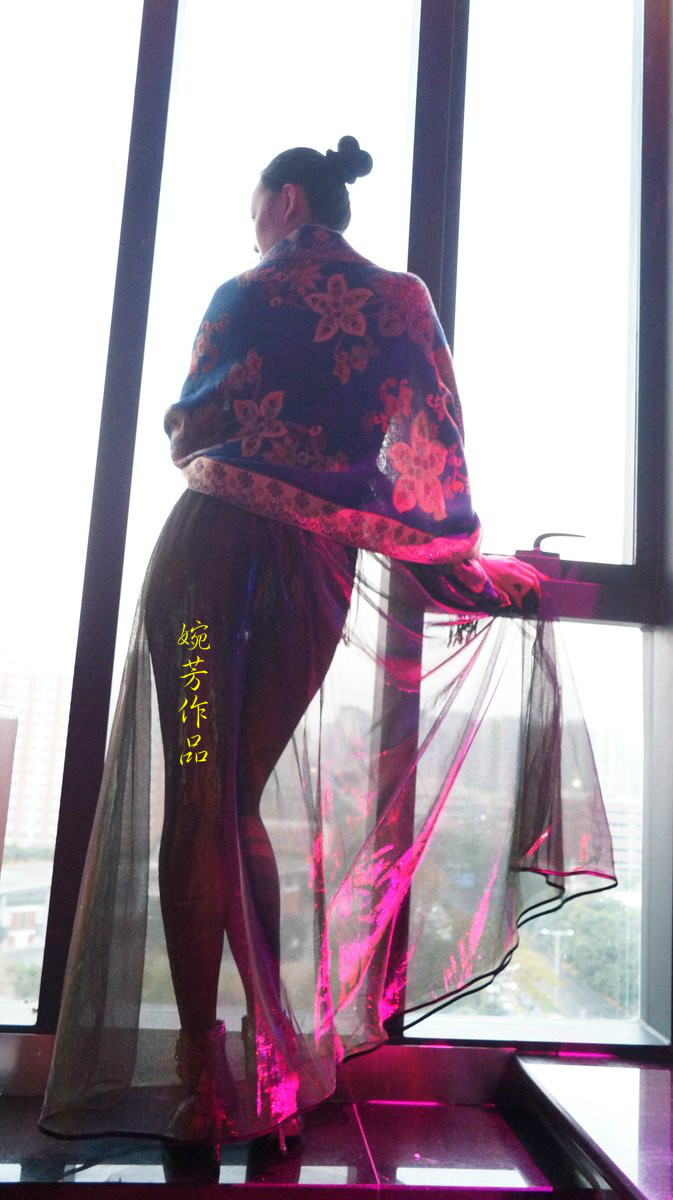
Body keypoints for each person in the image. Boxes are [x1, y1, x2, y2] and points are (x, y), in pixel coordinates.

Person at [39, 137, 615, 1153]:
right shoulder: (403, 301)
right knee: (238, 800)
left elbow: (187, 430)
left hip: (204, 568)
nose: (252, 224)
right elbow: (431, 458)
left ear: (288, 199)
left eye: (255, 205)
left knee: (199, 792)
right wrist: (460, 560)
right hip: (310, 576)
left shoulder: (239, 292)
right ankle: (266, 1061)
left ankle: (199, 1080)